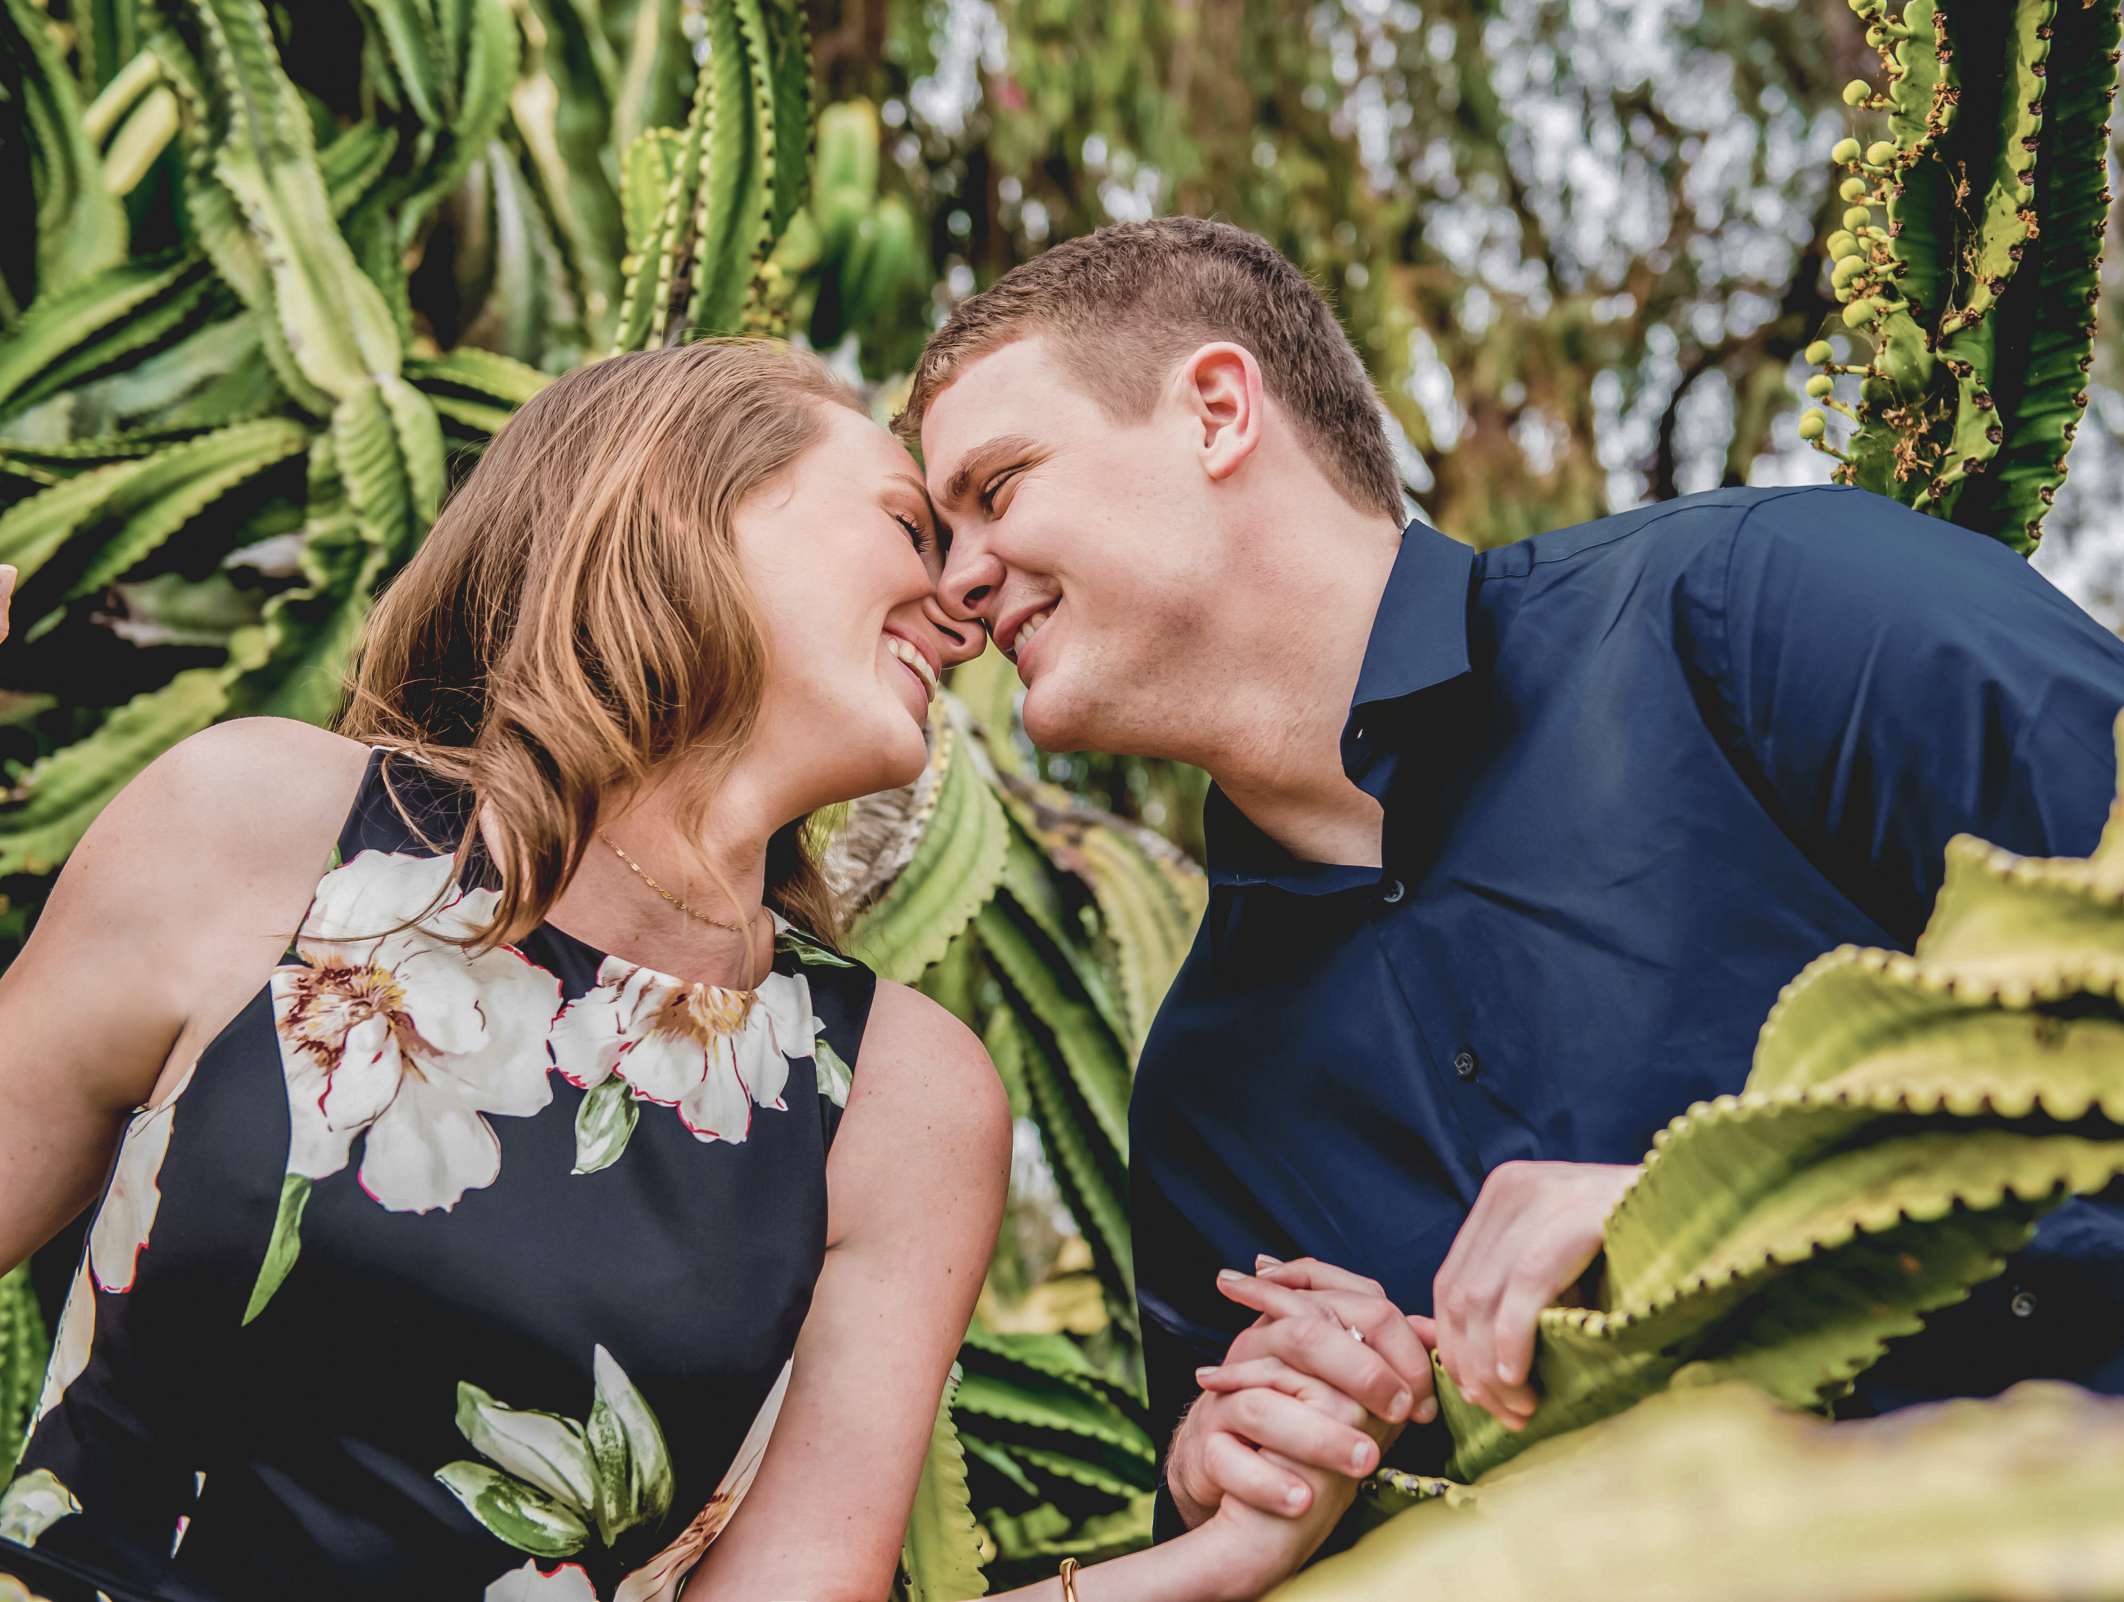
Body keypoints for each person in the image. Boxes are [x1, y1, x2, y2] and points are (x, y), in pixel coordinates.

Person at [897, 217, 2124, 1555]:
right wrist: (1241, 1486)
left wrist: (1738, 1215)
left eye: (996, 487)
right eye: (938, 532)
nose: (959, 584)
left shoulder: (1767, 612)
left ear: (1218, 410)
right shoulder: (1208, 1108)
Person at [0, 339, 1360, 1602]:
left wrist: (1215, 1559)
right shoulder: (253, 831)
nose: (962, 600)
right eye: (908, 525)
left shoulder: (901, 1105)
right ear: (674, 504)